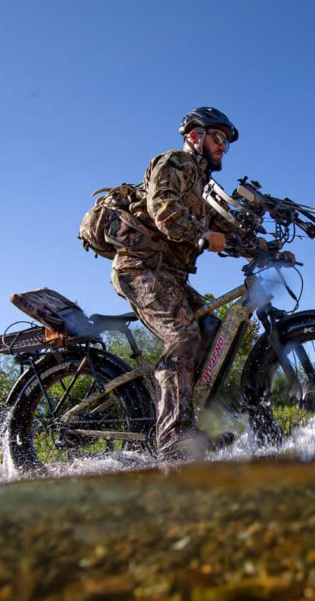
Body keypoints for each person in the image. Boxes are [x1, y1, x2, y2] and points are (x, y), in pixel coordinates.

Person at [111, 107, 245, 458]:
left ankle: (189, 424)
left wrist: (264, 246)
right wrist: (201, 233)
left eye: (226, 144)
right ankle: (172, 440)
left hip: (169, 274)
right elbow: (163, 208)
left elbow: (227, 226)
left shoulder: (202, 186)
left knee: (213, 329)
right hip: (140, 268)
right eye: (218, 139)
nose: (223, 148)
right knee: (183, 336)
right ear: (194, 136)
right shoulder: (174, 163)